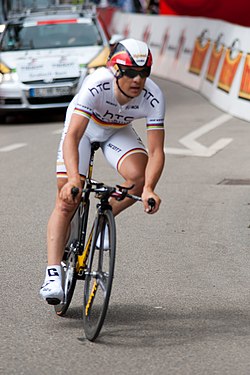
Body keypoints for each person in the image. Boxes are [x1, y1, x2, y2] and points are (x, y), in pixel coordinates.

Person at [40, 38, 166, 304]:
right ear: (116, 71)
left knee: (138, 178)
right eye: (130, 72)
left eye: (144, 73)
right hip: (83, 130)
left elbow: (156, 151)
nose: (138, 80)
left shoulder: (153, 96)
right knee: (66, 198)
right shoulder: (97, 84)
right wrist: (74, 177)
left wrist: (150, 189)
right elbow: (73, 137)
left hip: (116, 131)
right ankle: (53, 273)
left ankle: (103, 219)